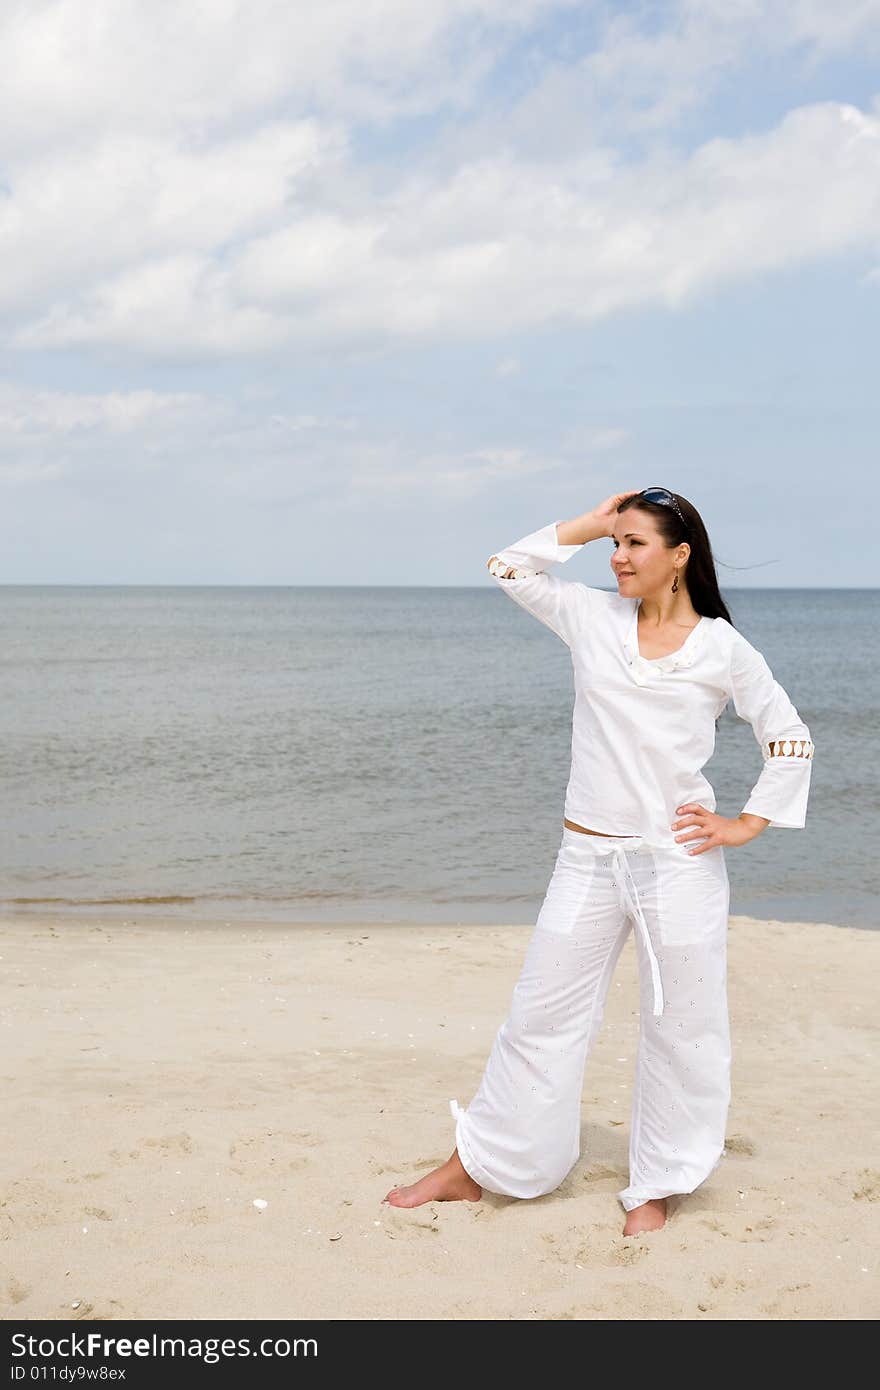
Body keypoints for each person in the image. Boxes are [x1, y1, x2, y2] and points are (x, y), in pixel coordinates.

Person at [383, 487, 815, 1235]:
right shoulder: (590, 618)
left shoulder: (722, 648)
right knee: (539, 1017)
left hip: (677, 866)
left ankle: (659, 1182)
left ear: (679, 557)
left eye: (634, 544)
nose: (616, 558)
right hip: (585, 859)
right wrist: (590, 522)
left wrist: (745, 823)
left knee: (682, 1027)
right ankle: (480, 1166)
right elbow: (507, 567)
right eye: (614, 544)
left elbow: (788, 735)